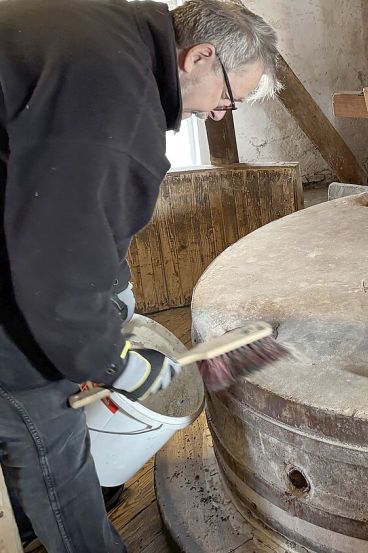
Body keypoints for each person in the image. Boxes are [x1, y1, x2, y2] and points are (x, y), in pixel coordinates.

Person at [0, 0, 280, 550]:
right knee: (46, 421)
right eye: (230, 96)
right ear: (199, 56)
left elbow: (61, 196)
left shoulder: (111, 30)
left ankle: (25, 517)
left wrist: (112, 285)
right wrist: (112, 363)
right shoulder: (114, 106)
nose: (222, 113)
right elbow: (56, 265)